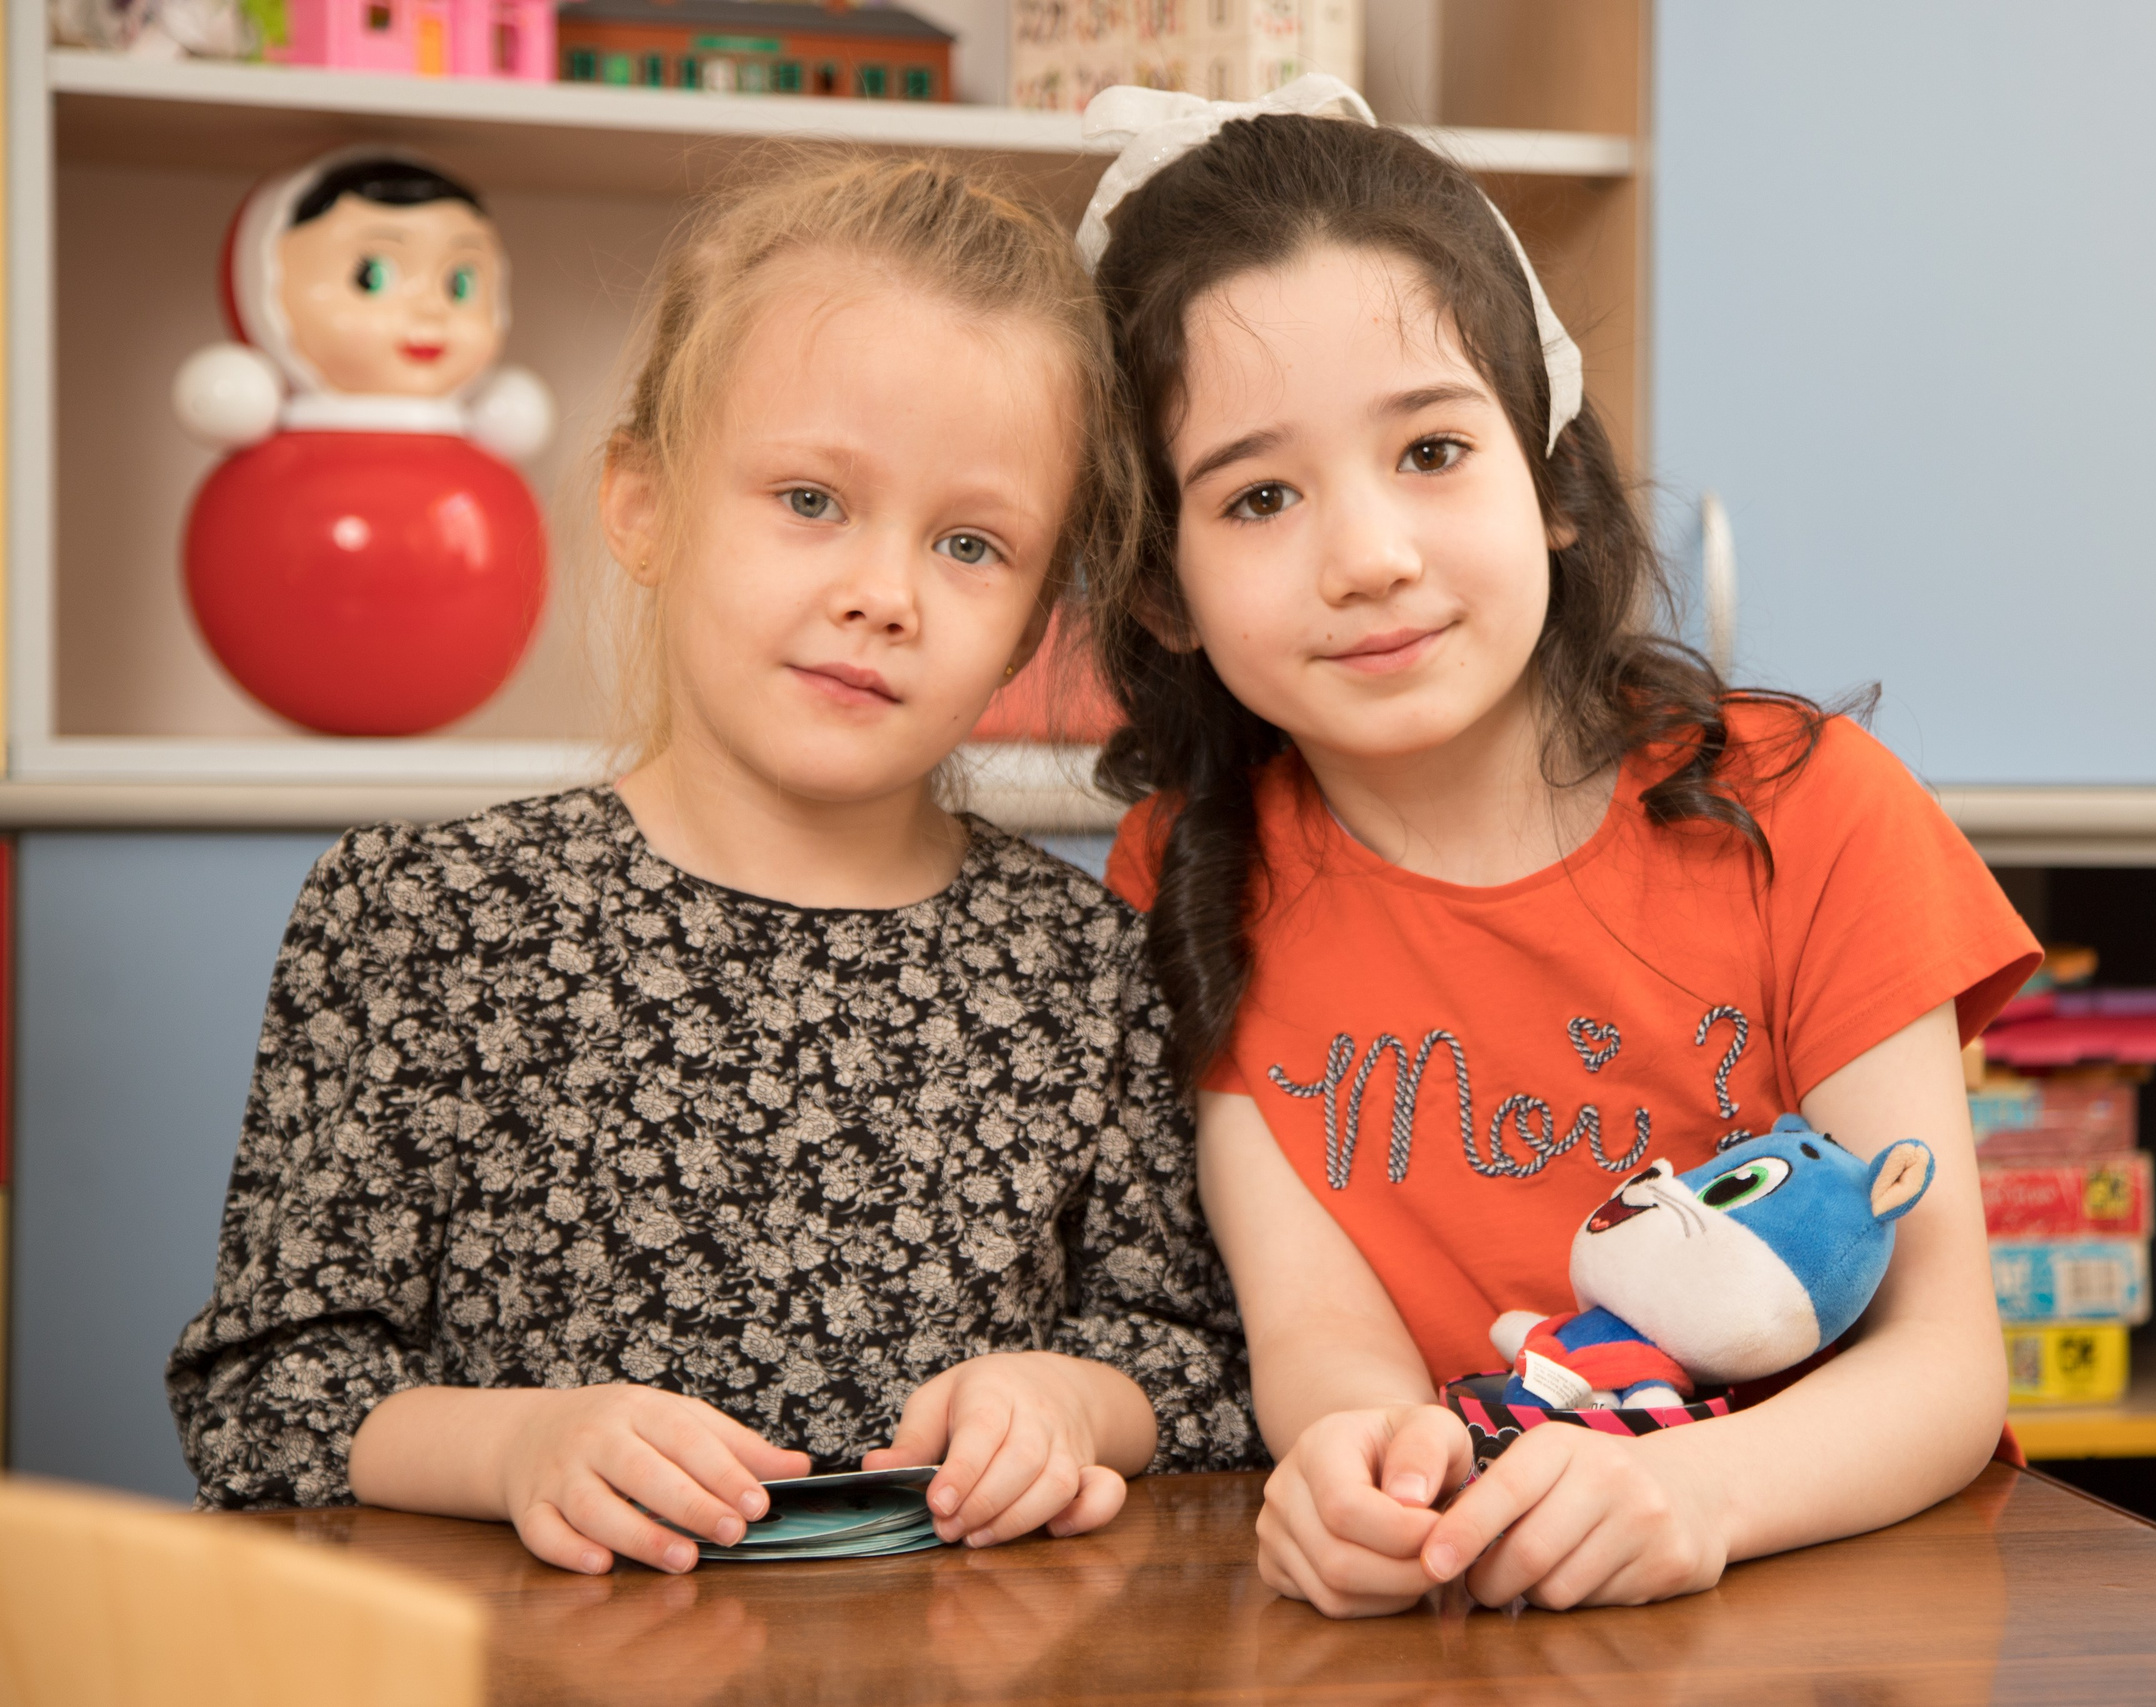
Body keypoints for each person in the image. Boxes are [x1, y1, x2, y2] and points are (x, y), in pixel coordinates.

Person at [167, 149, 1257, 1576]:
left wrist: (1073, 1404)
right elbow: (263, 1396)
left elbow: (1194, 1364)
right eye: (810, 499)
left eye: (971, 544)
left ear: (1031, 621)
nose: (883, 593)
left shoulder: (1089, 968)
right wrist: (516, 1448)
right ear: (643, 503)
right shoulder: (422, 916)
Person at [1079, 81, 2042, 1616]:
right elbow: (1318, 1330)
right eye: (1259, 495)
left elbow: (1943, 1365)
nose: (1369, 556)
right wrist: (1356, 1467)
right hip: (1469, 1616)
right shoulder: (1190, 871)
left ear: (1553, 479)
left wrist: (1696, 1497)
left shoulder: (1814, 811)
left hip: (1820, 1619)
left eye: (1431, 451)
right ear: (1162, 591)